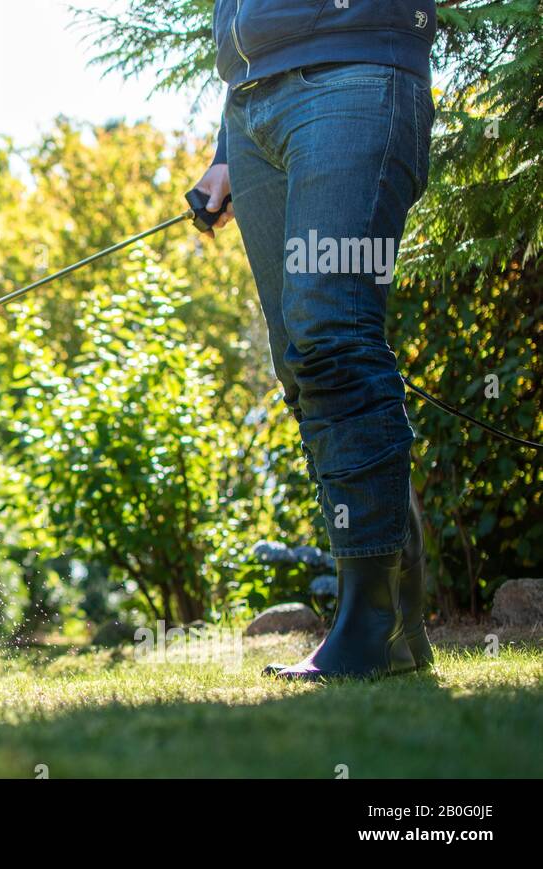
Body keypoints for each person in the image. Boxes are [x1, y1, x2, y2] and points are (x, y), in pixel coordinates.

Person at [192, 1, 438, 679]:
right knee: (302, 362)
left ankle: (370, 620)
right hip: (251, 110)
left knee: (333, 334)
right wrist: (224, 149)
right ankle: (392, 601)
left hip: (356, 75)